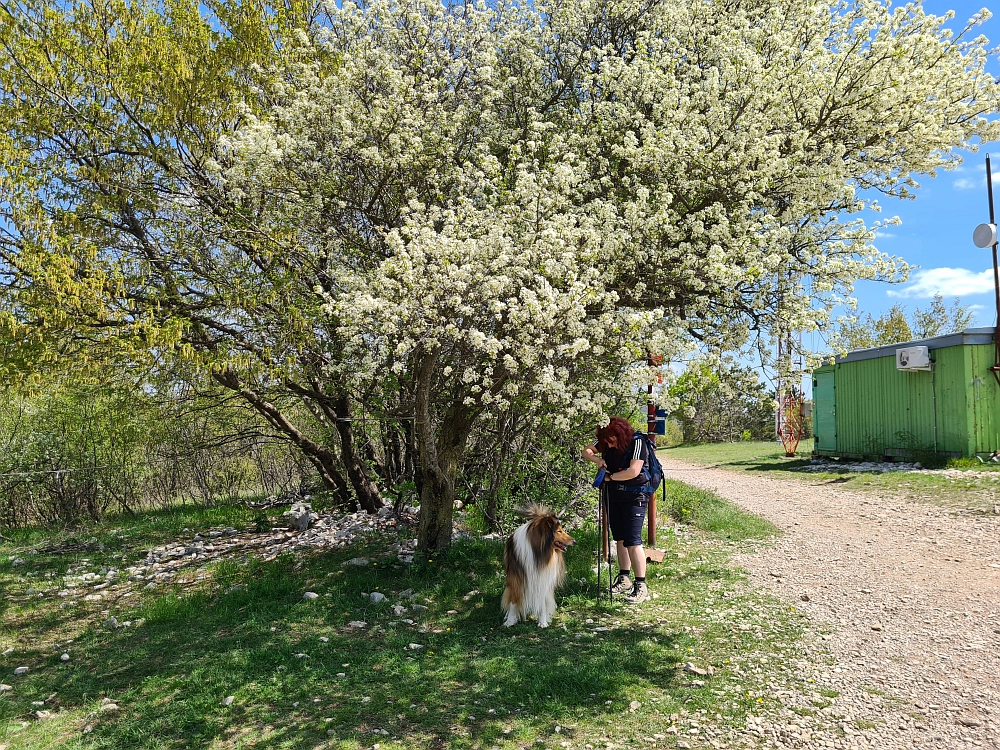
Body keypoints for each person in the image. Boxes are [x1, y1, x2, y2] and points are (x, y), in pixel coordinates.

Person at [582, 417, 651, 604]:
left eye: (612, 440)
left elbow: (633, 471)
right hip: (614, 495)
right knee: (619, 538)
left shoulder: (637, 442)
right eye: (606, 441)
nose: (609, 444)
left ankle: (641, 586)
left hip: (635, 496)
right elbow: (586, 451)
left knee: (633, 540)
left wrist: (610, 477)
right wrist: (598, 459)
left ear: (620, 435)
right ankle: (624, 578)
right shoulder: (605, 440)